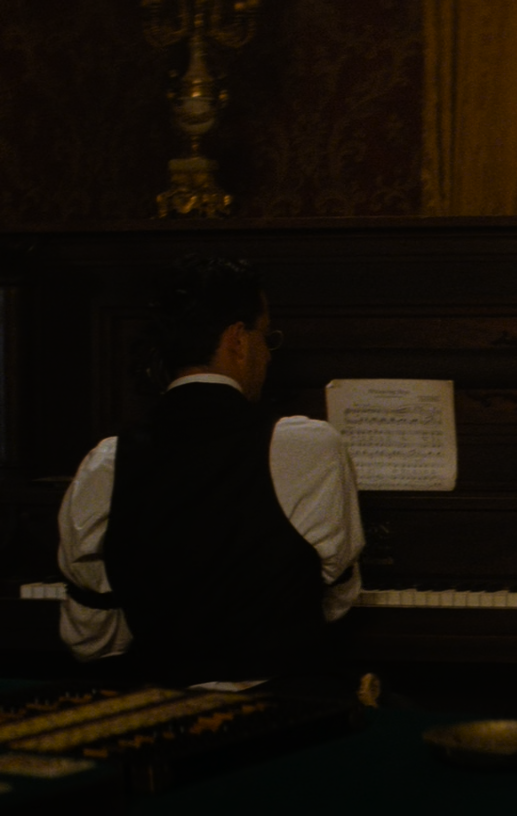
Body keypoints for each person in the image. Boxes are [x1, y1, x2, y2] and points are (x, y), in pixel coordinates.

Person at [56, 255, 365, 692]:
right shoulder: (311, 446)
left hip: (162, 708)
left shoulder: (106, 461)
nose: (268, 356)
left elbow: (90, 640)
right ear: (237, 340)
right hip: (284, 707)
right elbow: (335, 603)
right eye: (266, 337)